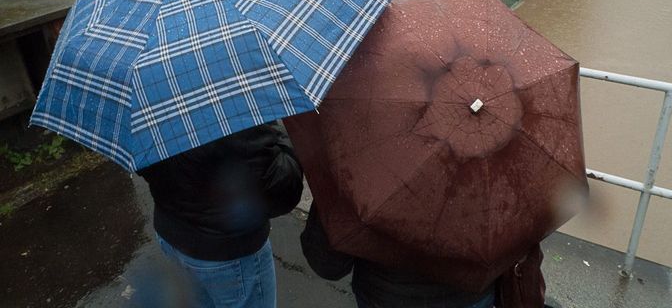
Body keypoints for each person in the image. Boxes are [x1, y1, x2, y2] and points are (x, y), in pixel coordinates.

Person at [139, 122, 304, 308]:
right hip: (230, 253)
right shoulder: (230, 114)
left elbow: (141, 161)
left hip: (172, 232)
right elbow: (281, 191)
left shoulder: (145, 107)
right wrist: (279, 137)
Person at [300, 202, 496, 308]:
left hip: (387, 294)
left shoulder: (364, 140)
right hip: (473, 293)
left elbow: (327, 262)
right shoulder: (502, 131)